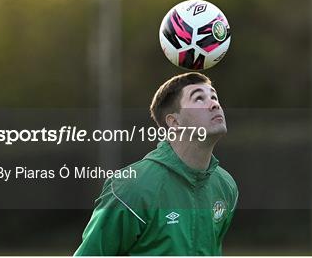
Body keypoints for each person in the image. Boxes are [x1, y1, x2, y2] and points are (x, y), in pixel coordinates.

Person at [74, 72, 238, 256]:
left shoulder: (226, 185)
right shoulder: (130, 188)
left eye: (214, 97)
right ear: (174, 121)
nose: (214, 104)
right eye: (199, 98)